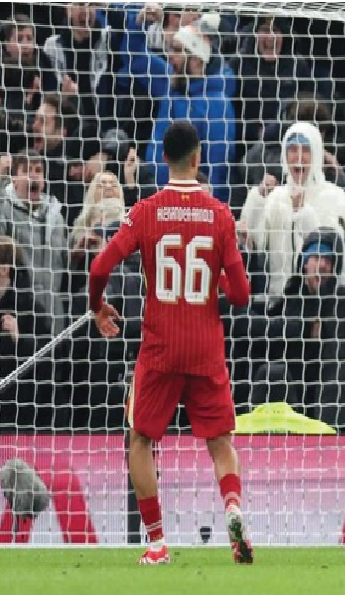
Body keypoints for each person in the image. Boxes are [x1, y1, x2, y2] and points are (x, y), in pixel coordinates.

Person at [87, 121, 252, 565]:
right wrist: (215, 277)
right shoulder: (220, 215)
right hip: (205, 348)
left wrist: (98, 306)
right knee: (219, 441)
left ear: (163, 159)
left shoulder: (144, 211)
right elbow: (240, 296)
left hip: (159, 348)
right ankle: (233, 509)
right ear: (198, 160)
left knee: (140, 439)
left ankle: (158, 542)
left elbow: (100, 266)